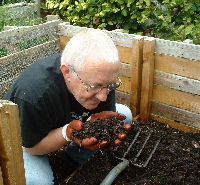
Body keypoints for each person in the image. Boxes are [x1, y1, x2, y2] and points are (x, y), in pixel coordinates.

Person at [3, 29, 133, 185]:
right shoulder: (35, 94)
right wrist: (67, 133)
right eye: (95, 87)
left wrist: (100, 128)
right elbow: (31, 146)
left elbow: (104, 112)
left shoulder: (101, 77)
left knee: (125, 114)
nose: (103, 96)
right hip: (23, 136)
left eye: (109, 85)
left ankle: (70, 160)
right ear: (66, 72)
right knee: (37, 181)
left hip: (61, 120)